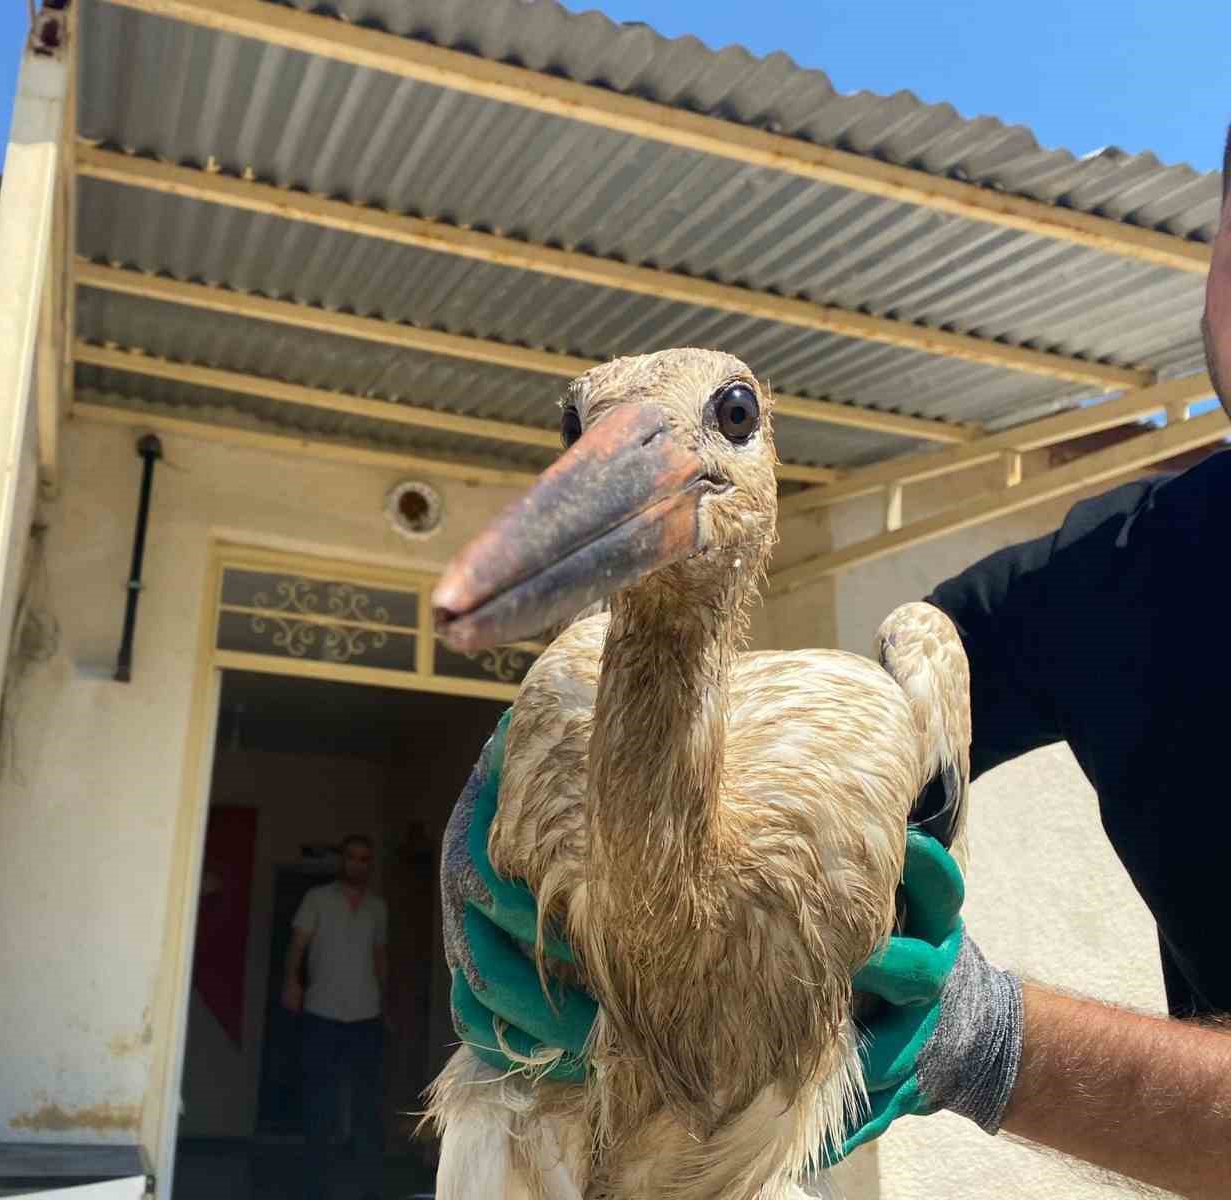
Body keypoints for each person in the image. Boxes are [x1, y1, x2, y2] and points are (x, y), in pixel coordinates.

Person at [451, 124, 1231, 1200]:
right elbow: (835, 719)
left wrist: (988, 1041)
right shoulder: (1120, 570)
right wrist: (506, 816)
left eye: (724, 418)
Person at [283, 834, 390, 1200]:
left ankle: (365, 1183)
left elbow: (380, 957)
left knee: (365, 1102)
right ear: (341, 860)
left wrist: (387, 1003)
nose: (357, 864)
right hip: (322, 1011)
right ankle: (315, 1183)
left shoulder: (378, 907)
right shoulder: (317, 899)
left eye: (364, 859)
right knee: (320, 1100)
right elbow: (298, 943)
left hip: (366, 1013)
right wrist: (291, 982)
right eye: (352, 857)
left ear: (369, 865)